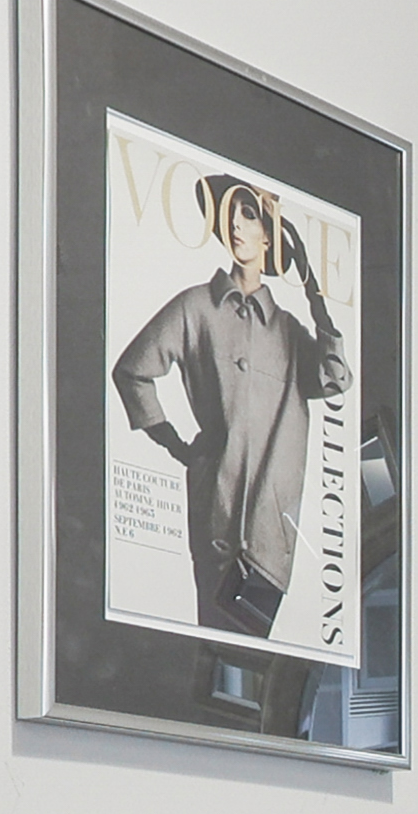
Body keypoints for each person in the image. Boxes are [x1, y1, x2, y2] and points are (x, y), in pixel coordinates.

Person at [111, 174, 352, 638]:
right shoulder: (195, 307)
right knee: (216, 648)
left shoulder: (290, 331)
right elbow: (133, 371)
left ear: (269, 233)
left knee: (252, 663)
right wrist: (173, 443)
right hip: (215, 513)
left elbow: (336, 378)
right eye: (231, 218)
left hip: (271, 532)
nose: (237, 228)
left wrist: (314, 293)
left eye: (249, 215)